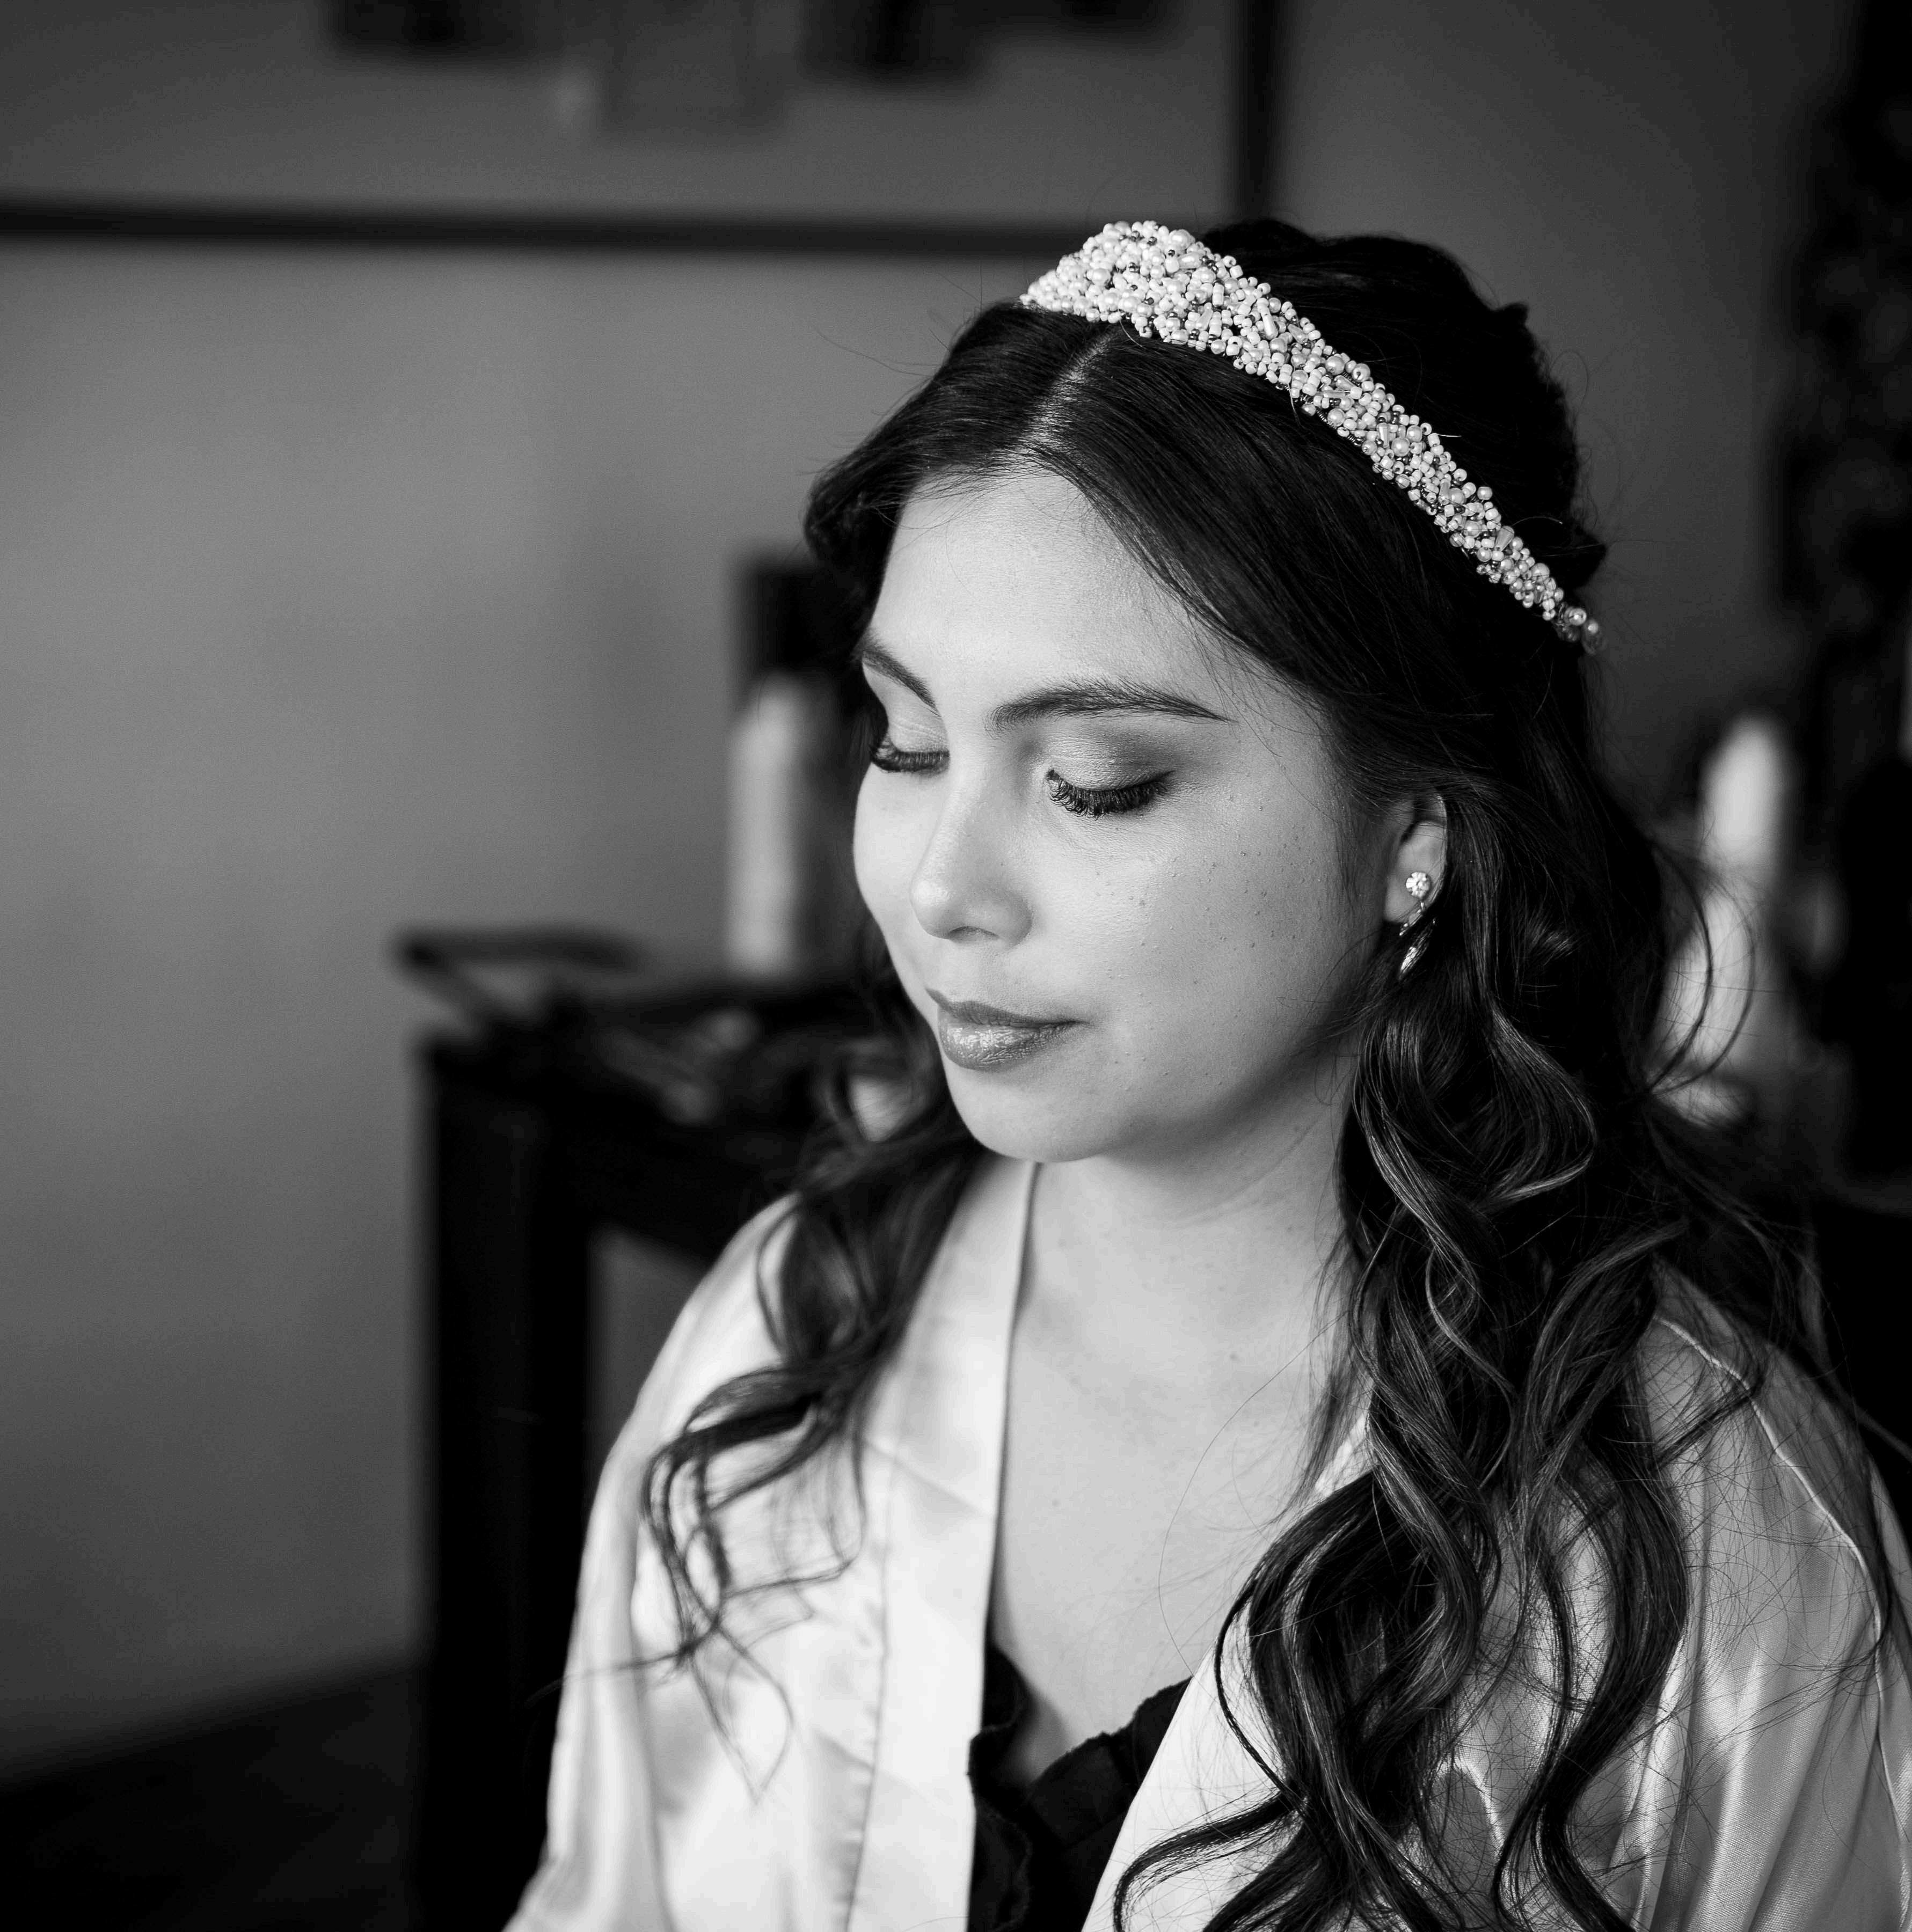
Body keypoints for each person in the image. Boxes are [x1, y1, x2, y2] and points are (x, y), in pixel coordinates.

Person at [508, 221, 1912, 1932]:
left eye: (1096, 782)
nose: (939, 889)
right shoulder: (796, 1323)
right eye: (907, 740)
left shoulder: (1703, 1557)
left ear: (1414, 834)